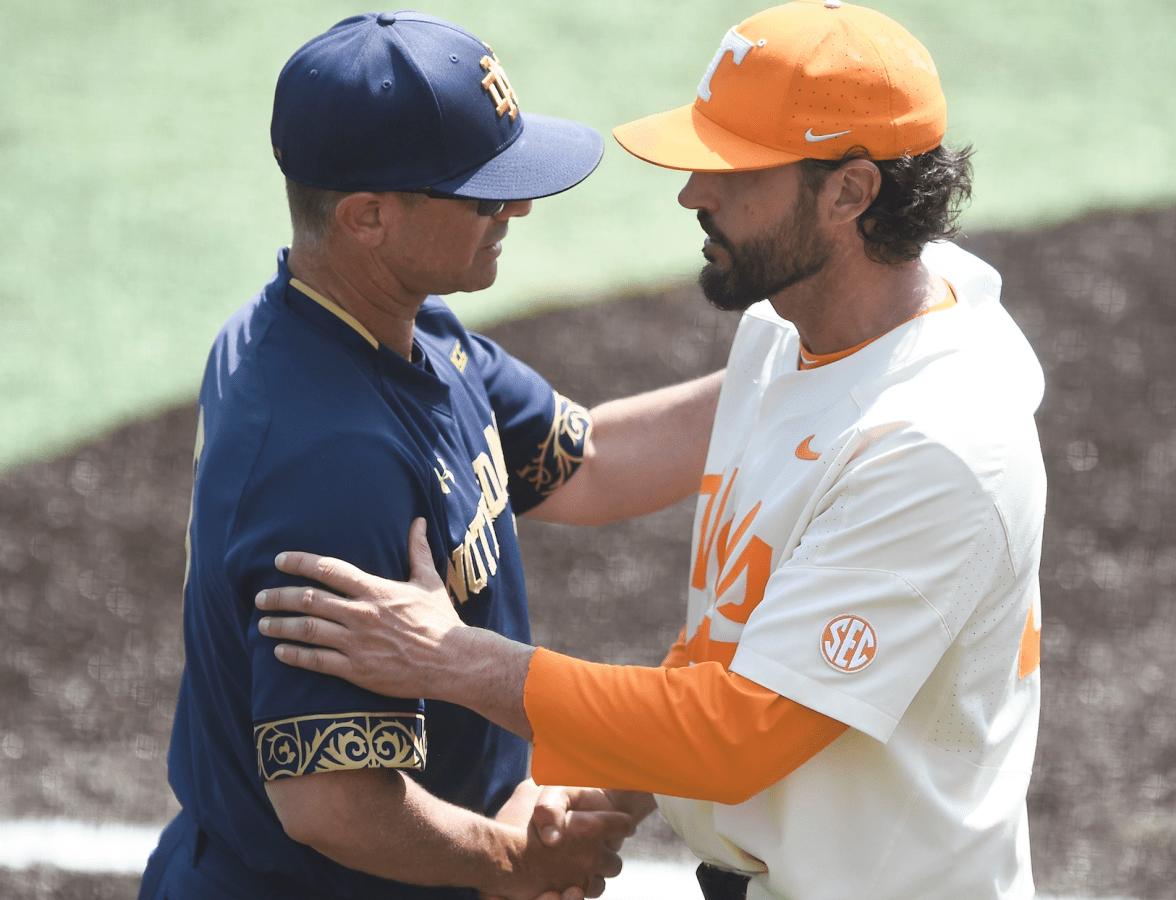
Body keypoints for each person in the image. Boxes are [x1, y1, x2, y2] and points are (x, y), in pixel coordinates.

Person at [257, 2, 1047, 899]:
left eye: (732, 170)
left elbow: (739, 735)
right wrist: (605, 788)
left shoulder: (933, 446)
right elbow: (735, 642)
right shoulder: (787, 337)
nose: (692, 194)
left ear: (850, 191)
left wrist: (453, 659)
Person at [139, 10, 724, 900]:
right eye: (482, 192)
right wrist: (517, 863)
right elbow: (330, 803)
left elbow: (591, 460)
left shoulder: (401, 329)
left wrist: (805, 370)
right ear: (368, 216)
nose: (517, 209)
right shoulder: (328, 460)